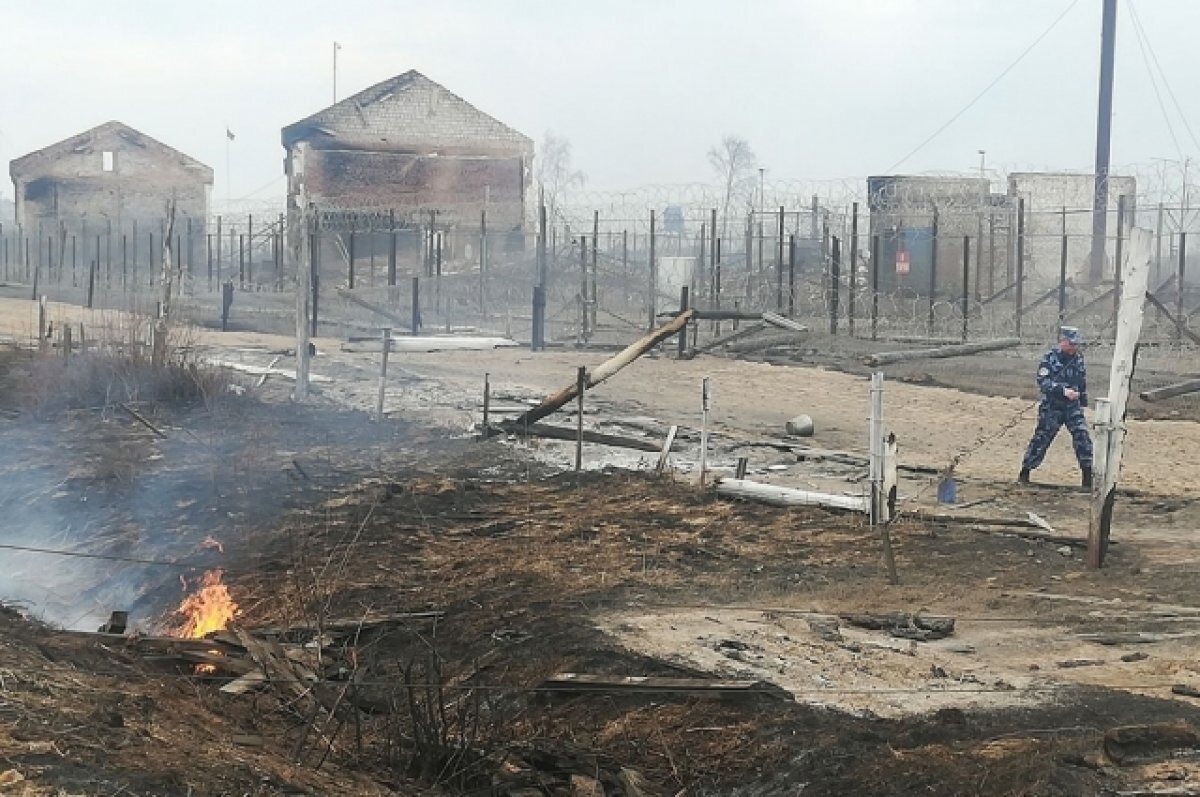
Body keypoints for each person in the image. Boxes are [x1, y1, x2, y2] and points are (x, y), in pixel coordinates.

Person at [1019, 326, 1093, 488]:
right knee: (1042, 439)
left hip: (1072, 407)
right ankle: (1025, 472)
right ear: (1063, 341)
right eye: (1071, 344)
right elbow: (1043, 382)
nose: (1074, 347)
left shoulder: (1078, 358)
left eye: (1076, 344)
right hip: (1053, 406)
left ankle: (1087, 477)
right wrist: (1062, 391)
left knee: (1083, 437)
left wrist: (1082, 400)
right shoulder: (1050, 358)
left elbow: (1081, 380)